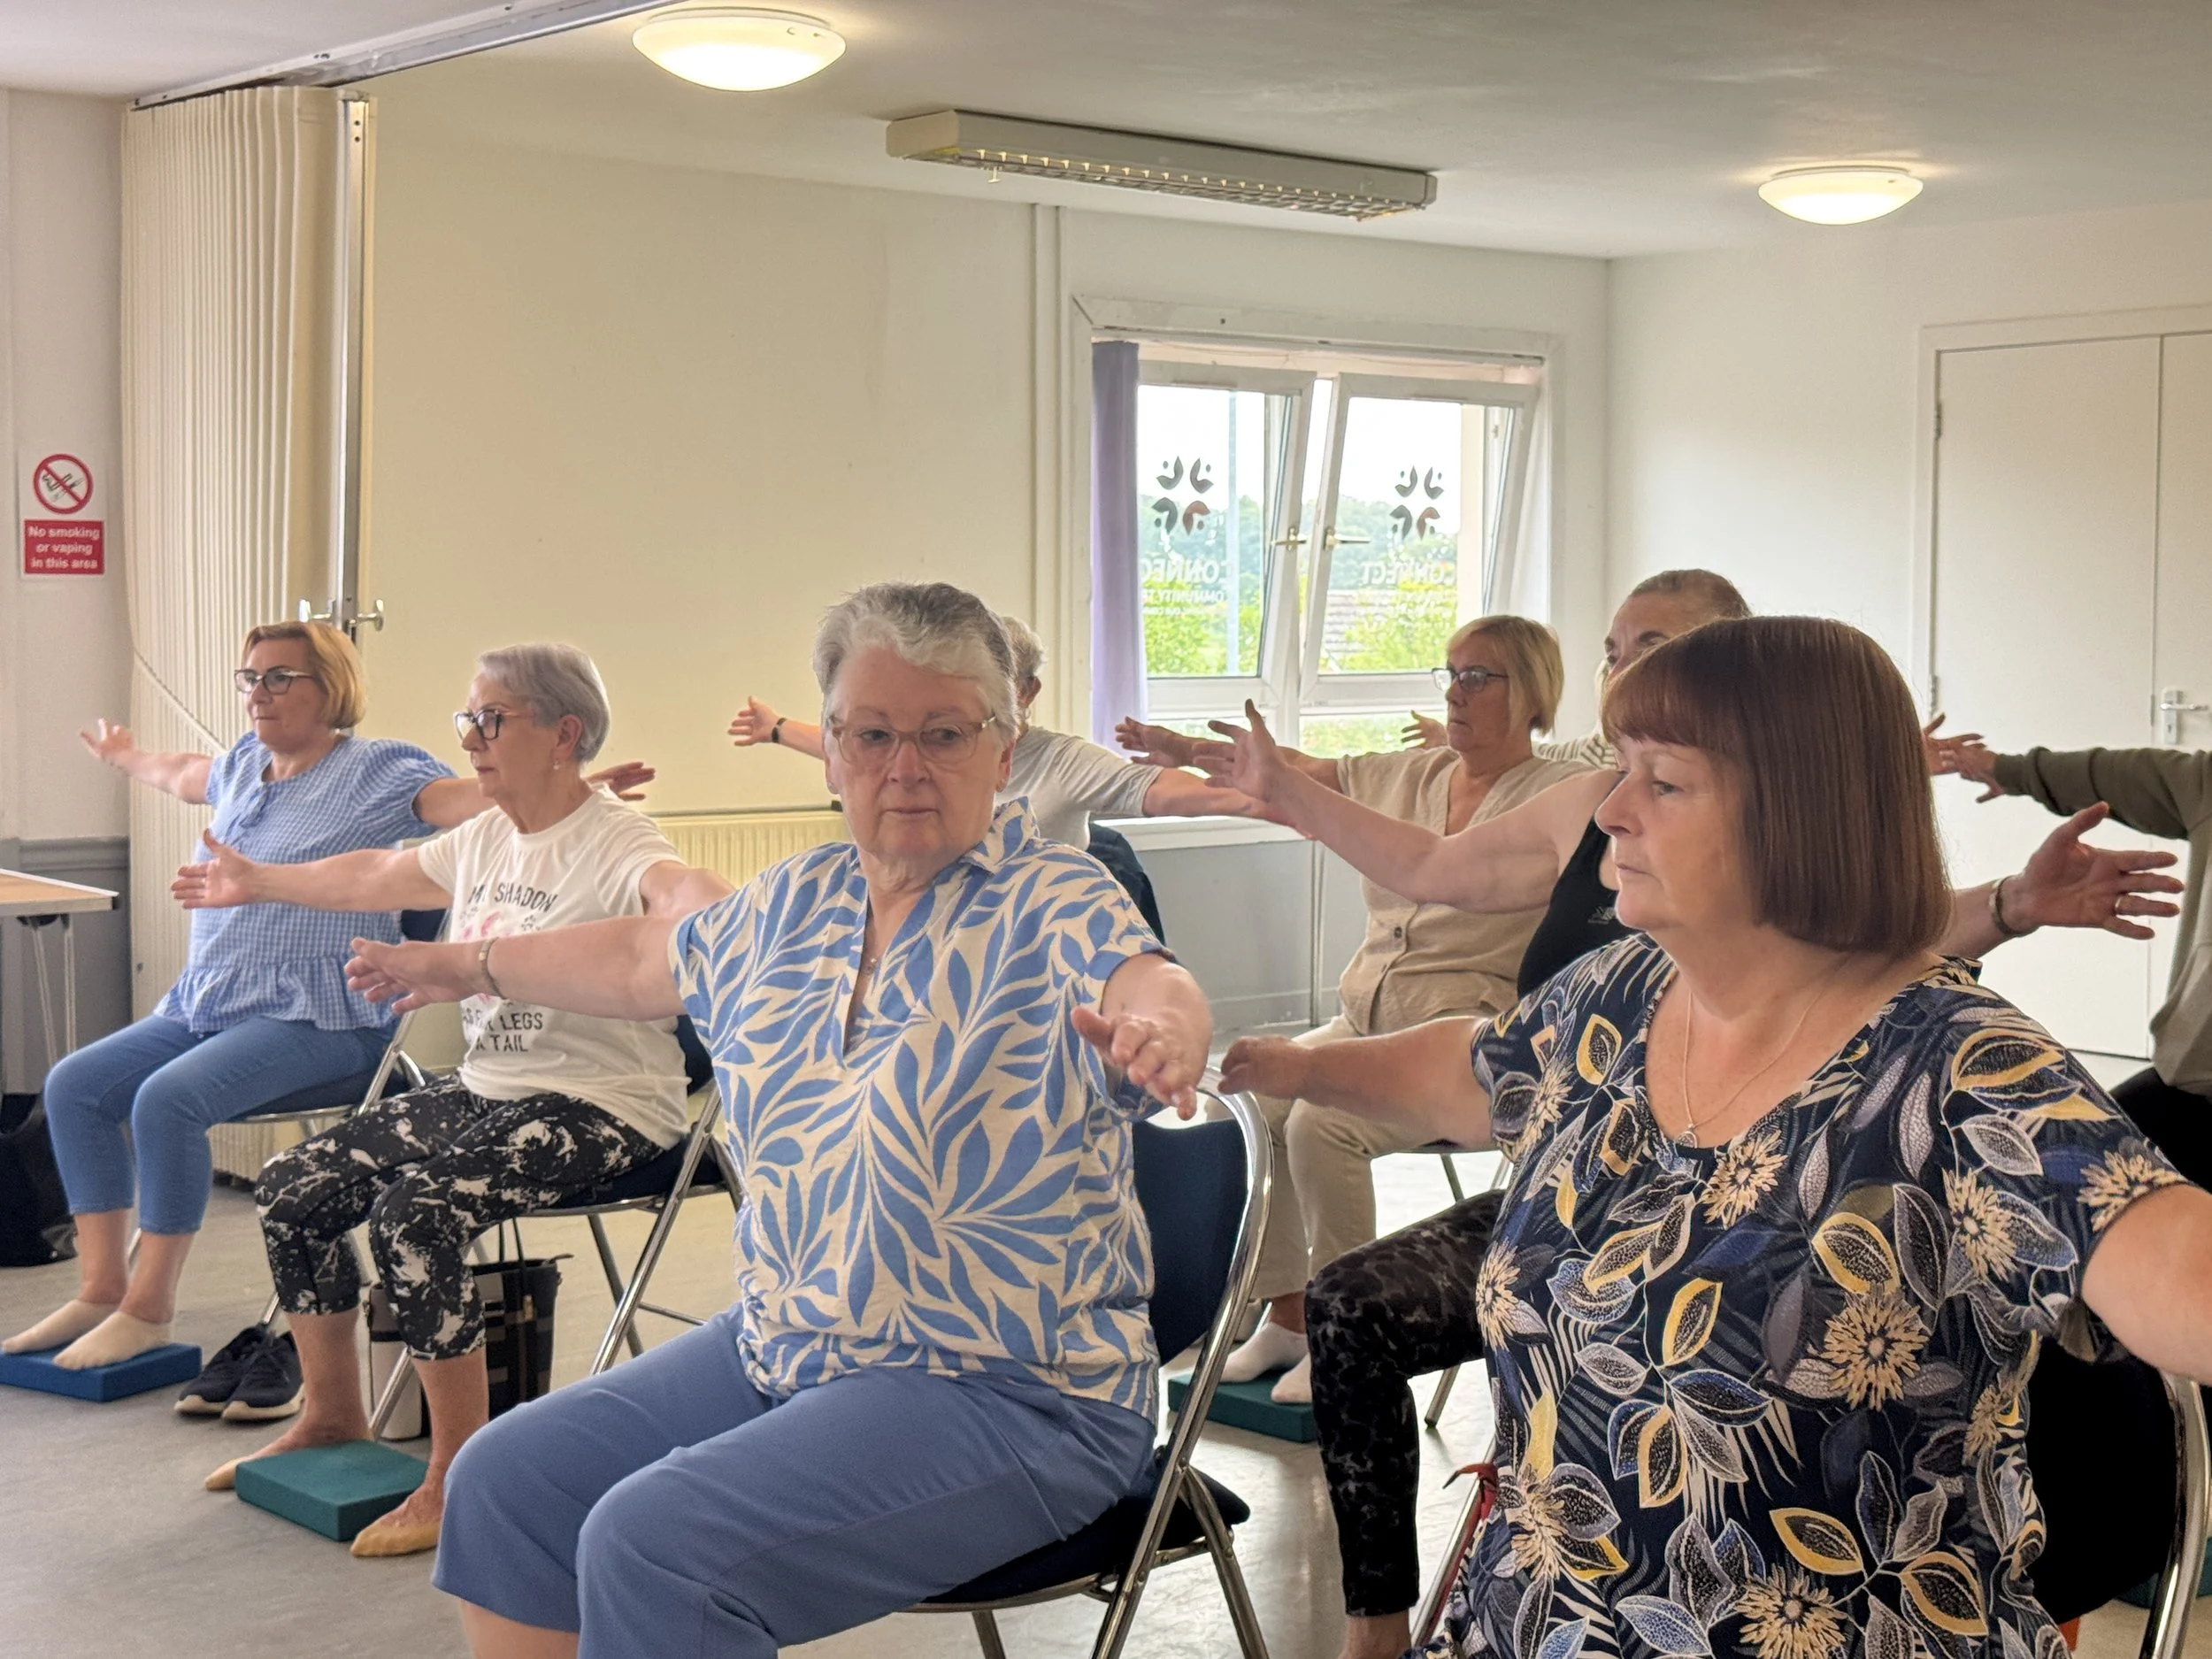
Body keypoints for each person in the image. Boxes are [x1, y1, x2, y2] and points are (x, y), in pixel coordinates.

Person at [1223, 615, 2212, 1659]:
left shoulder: (1961, 1070)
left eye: (1663, 782)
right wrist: (1290, 1066)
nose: (1610, 811)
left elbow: (2177, 1272)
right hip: (1531, 1625)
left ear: (1798, 813)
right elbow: (1473, 1072)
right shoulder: (1619, 993)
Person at [342, 583, 1212, 1659]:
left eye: (943, 734)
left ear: (1003, 744)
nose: (905, 767)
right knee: (507, 1481)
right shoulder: (795, 902)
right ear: (832, 745)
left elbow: (1146, 981)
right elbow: (637, 957)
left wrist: (1160, 1031)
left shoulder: (1058, 899)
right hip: (789, 1342)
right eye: (872, 735)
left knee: (655, 1543)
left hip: (1012, 1391)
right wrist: (461, 961)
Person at [174, 642, 729, 1559]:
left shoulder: (617, 838)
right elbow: (373, 877)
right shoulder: (484, 835)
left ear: (564, 735)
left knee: (413, 1215)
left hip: (607, 1108)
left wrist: (724, 913)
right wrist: (257, 880)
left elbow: (687, 897)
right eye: (467, 718)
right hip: (488, 1091)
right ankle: (331, 1417)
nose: (470, 736)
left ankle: (455, 1472)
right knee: (294, 1185)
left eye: (491, 718)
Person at [2, 621, 649, 1373]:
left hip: (322, 1015)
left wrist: (572, 785)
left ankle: (147, 1308)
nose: (259, 694)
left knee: (165, 1101)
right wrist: (124, 756)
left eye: (280, 677)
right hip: (210, 1002)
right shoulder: (245, 765)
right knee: (75, 1085)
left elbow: (463, 798)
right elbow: (183, 772)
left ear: (330, 687)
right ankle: (101, 1287)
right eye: (250, 678)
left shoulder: (377, 769)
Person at [1157, 615, 1600, 1408]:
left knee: (1320, 1125)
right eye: (1451, 674)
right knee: (1251, 1102)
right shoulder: (1412, 772)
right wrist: (1190, 752)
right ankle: (1287, 1315)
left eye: (1479, 677)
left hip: (1459, 1039)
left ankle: (1341, 1333)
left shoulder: (1554, 798)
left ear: (1532, 693)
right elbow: (1299, 772)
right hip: (1363, 1016)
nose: (1456, 693)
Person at [728, 611, 1256, 849]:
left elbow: (1174, 796)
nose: (908, 768)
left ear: (1025, 695)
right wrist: (774, 728)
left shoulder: (1067, 765)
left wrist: (1277, 792)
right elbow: (850, 746)